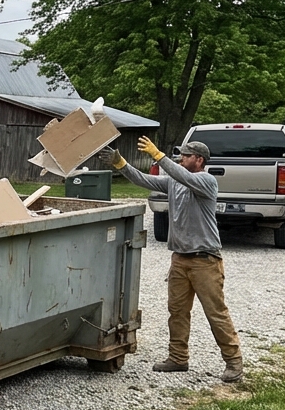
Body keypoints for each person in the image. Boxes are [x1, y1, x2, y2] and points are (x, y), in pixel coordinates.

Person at [100, 137, 244, 383]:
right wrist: (121, 163)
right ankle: (178, 358)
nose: (181, 158)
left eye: (186, 156)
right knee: (177, 311)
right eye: (180, 155)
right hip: (179, 260)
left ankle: (234, 362)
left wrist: (158, 156)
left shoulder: (206, 181)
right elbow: (144, 180)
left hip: (205, 260)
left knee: (215, 312)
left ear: (199, 160)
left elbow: (182, 175)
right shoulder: (175, 182)